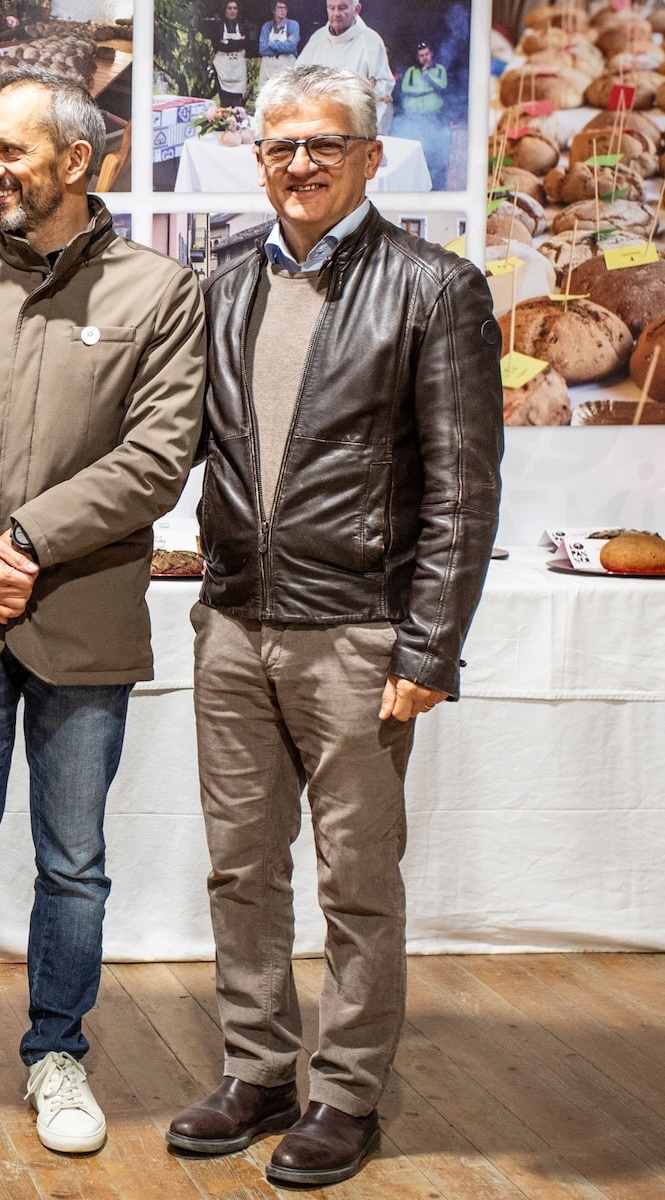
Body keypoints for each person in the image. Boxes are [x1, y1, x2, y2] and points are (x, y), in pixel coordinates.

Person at [166, 66, 500, 1187]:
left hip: (360, 631)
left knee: (358, 879)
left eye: (323, 144)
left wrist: (430, 647)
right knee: (239, 868)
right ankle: (257, 1070)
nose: (299, 165)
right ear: (255, 161)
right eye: (279, 148)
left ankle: (347, 1090)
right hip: (234, 622)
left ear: (372, 156)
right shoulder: (218, 285)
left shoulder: (433, 288)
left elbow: (462, 486)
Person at [0, 66, 206, 1154]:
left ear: (76, 159)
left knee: (75, 862)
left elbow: (158, 457)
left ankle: (57, 1052)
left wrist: (22, 542)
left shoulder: (160, 293)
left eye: (7, 152)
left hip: (85, 617)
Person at [297, 0, 394, 134]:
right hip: (317, 124)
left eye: (342, 8)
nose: (336, 13)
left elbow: (384, 86)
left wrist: (351, 97)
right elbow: (296, 78)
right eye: (332, 8)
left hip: (354, 126)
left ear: (357, 9)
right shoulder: (317, 39)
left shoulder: (371, 41)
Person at [398, 42, 449, 185]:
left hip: (433, 117)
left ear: (431, 54)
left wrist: (427, 76)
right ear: (417, 57)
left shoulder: (439, 70)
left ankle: (435, 184)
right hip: (414, 118)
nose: (424, 58)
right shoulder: (411, 71)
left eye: (426, 54)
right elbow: (406, 91)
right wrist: (426, 91)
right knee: (415, 152)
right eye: (421, 56)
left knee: (434, 151)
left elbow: (441, 87)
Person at [206, 1, 251, 109]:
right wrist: (237, 42)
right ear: (224, 10)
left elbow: (246, 44)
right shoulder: (217, 26)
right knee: (224, 104)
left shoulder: (243, 26)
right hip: (223, 69)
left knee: (237, 105)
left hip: (238, 70)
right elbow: (217, 45)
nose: (232, 11)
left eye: (235, 8)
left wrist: (226, 42)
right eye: (229, 8)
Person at [258, 1, 300, 86]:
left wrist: (271, 44)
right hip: (268, 71)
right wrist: (284, 45)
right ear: (274, 10)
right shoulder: (266, 26)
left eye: (285, 8)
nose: (282, 10)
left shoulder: (293, 25)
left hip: (286, 69)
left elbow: (292, 47)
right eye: (279, 8)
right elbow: (262, 49)